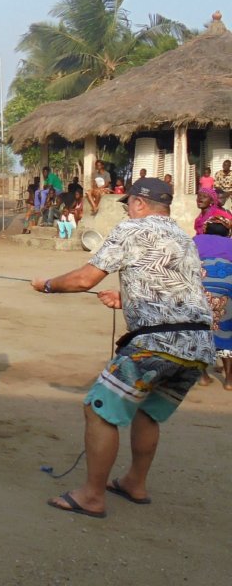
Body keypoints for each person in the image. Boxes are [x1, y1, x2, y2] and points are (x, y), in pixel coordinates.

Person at [31, 177, 214, 518]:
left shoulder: (132, 230)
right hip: (198, 344)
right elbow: (172, 287)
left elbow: (86, 278)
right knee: (147, 411)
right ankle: (134, 482)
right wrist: (126, 299)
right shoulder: (184, 238)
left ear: (141, 204)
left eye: (129, 203)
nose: (127, 209)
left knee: (99, 409)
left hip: (156, 343)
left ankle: (92, 496)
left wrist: (48, 285)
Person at [195, 218, 232, 390]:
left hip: (202, 290)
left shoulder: (196, 241)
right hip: (227, 291)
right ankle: (229, 381)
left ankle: (202, 377)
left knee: (201, 330)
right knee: (227, 330)